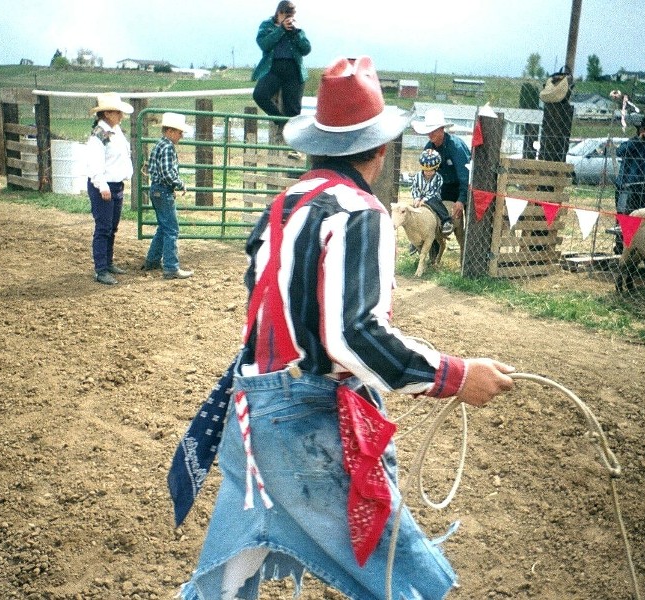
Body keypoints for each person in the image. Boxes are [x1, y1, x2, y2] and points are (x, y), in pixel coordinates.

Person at [178, 56, 515, 600]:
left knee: (231, 572)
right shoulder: (359, 213)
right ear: (379, 150)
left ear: (317, 143)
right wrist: (455, 375)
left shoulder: (283, 204)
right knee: (398, 575)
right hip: (305, 425)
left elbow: (261, 296)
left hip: (250, 411)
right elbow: (354, 335)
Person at [86, 92, 134, 285]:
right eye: (117, 112)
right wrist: (102, 185)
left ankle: (108, 262)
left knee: (111, 227)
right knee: (104, 227)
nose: (121, 116)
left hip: (115, 184)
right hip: (104, 186)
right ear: (106, 113)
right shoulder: (99, 135)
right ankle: (101, 269)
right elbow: (95, 162)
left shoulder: (116, 131)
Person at [412, 108, 471, 260]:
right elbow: (425, 175)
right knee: (427, 213)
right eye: (428, 131)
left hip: (460, 187)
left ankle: (467, 257)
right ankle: (430, 253)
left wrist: (461, 200)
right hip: (440, 188)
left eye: (433, 130)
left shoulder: (456, 147)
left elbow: (465, 176)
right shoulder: (429, 148)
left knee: (465, 226)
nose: (430, 134)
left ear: (442, 129)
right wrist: (420, 195)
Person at [142, 112, 194, 280]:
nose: (181, 136)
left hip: (157, 190)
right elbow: (167, 173)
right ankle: (171, 267)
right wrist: (180, 184)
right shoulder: (168, 147)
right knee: (172, 229)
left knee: (163, 228)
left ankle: (152, 260)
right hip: (163, 191)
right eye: (179, 132)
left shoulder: (159, 145)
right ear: (170, 131)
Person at [251, 1, 312, 118]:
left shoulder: (296, 27)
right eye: (287, 16)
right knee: (260, 95)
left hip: (294, 70)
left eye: (291, 16)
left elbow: (306, 49)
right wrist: (281, 30)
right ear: (279, 13)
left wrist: (296, 34)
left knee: (293, 109)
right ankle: (279, 120)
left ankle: (289, 130)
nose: (289, 19)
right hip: (273, 68)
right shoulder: (266, 25)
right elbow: (264, 44)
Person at [411, 148, 454, 236]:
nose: (428, 172)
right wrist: (416, 198)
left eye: (431, 170)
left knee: (435, 203)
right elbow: (414, 188)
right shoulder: (417, 177)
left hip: (433, 198)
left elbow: (434, 190)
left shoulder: (438, 178)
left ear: (436, 168)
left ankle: (446, 220)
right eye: (426, 170)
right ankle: (415, 233)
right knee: (412, 212)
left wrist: (425, 200)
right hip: (420, 198)